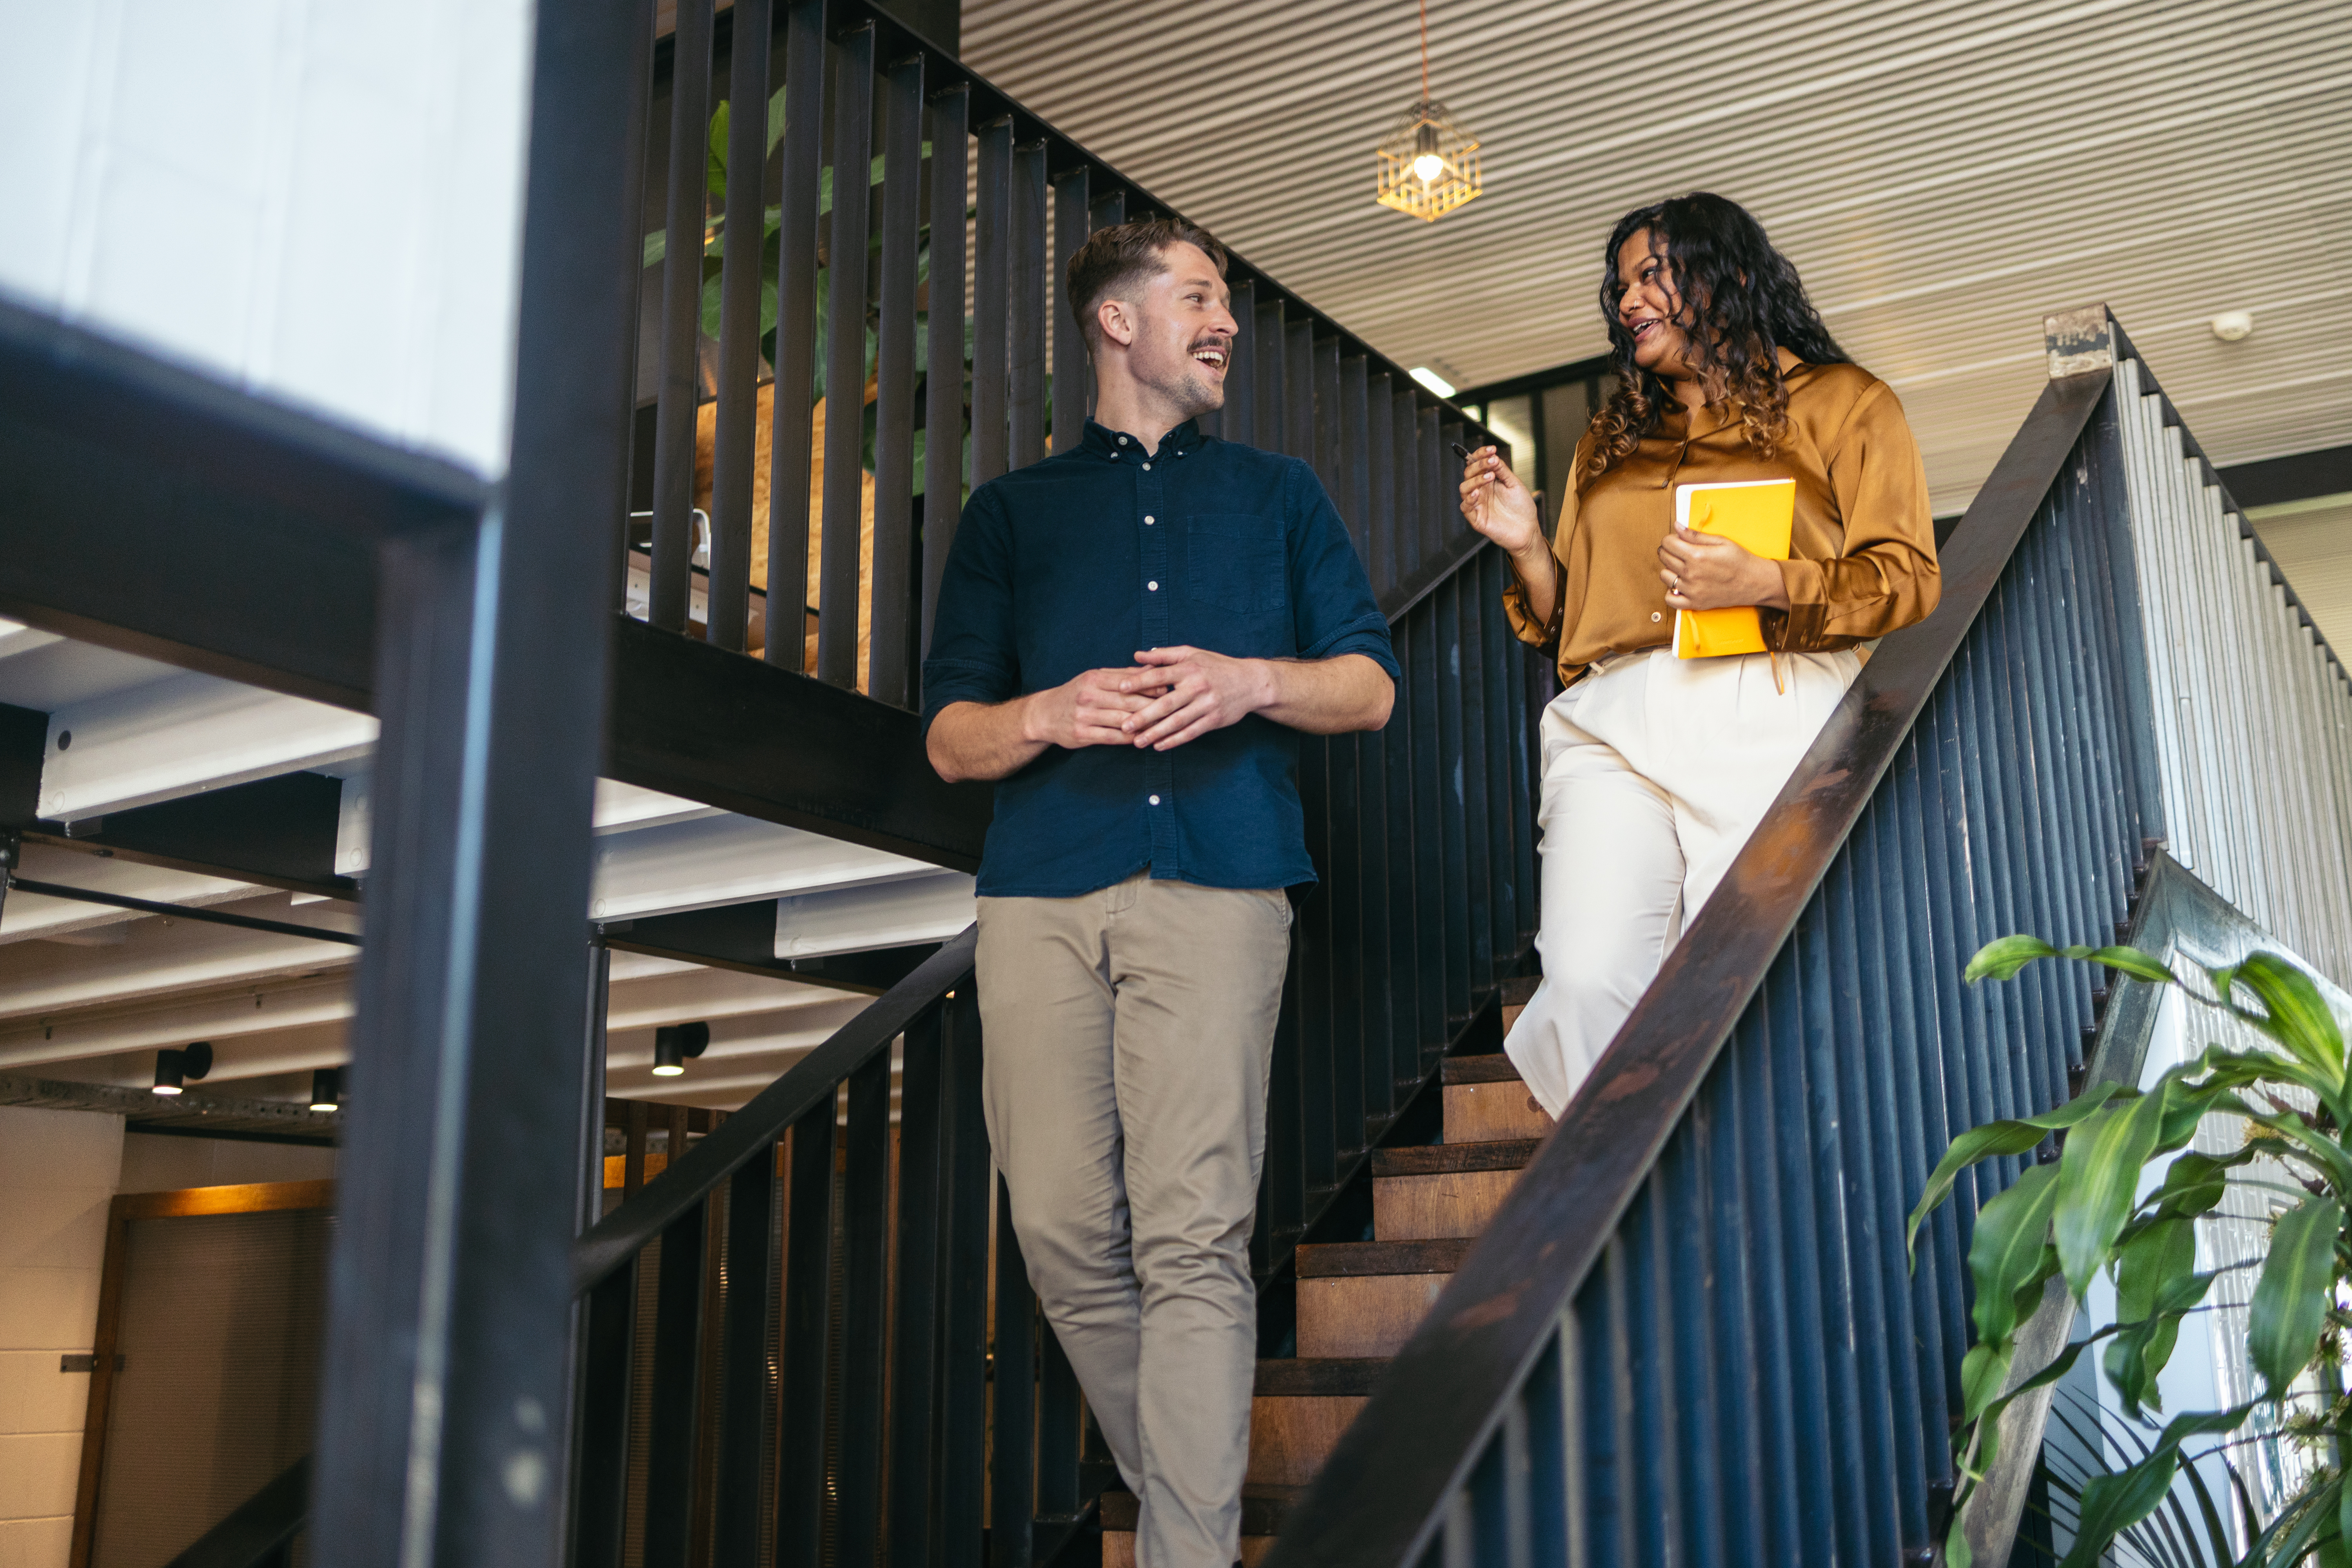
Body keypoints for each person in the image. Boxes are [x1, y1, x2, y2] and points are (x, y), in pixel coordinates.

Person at [922, 217, 1397, 1568]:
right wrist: (1051, 713)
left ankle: (1187, 1553)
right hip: (1039, 895)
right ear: (1115, 320)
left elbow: (1367, 685)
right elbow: (951, 737)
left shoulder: (1281, 492)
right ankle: (1197, 1504)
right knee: (1063, 1230)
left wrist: (1251, 680)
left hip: (1221, 879)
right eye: (1198, 296)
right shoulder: (1010, 515)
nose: (1226, 323)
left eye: (1228, 303)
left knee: (1194, 1237)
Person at [1459, 191, 1940, 1120]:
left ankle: (1758, 1195)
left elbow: (1907, 577)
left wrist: (1766, 581)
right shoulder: (1611, 437)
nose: (1628, 299)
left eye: (1653, 275)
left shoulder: (1845, 403)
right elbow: (1574, 623)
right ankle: (1648, 1201)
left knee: (1758, 973)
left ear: (1731, 281)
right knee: (1590, 976)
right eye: (1621, 284)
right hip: (1611, 713)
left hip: (1767, 696)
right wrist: (1528, 549)